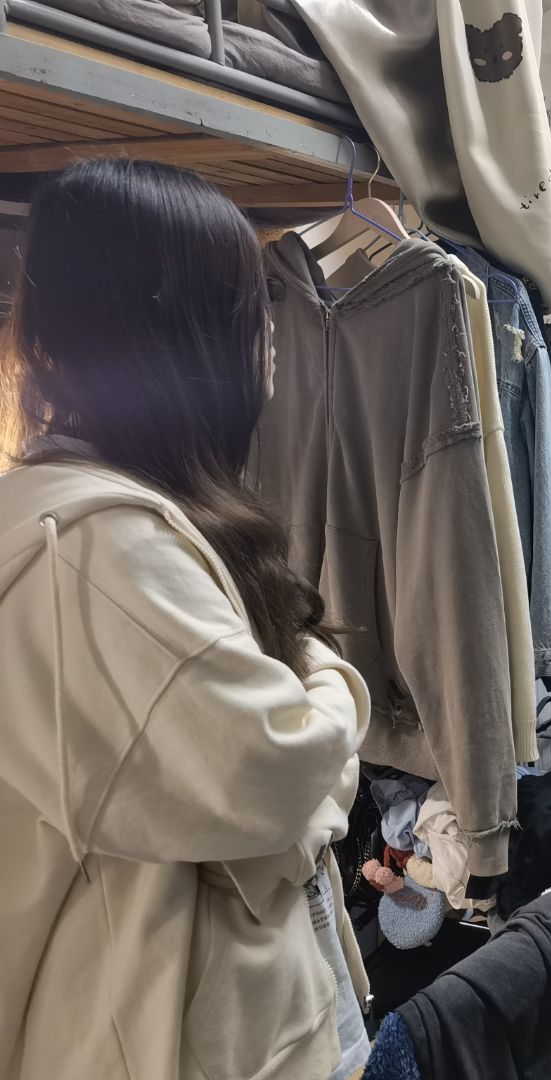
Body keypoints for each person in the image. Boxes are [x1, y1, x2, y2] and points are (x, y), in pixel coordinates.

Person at [0, 160, 370, 1080]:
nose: (269, 342)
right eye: (253, 310)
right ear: (188, 330)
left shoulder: (91, 510)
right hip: (167, 1033)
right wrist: (329, 679)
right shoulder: (100, 546)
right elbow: (276, 774)